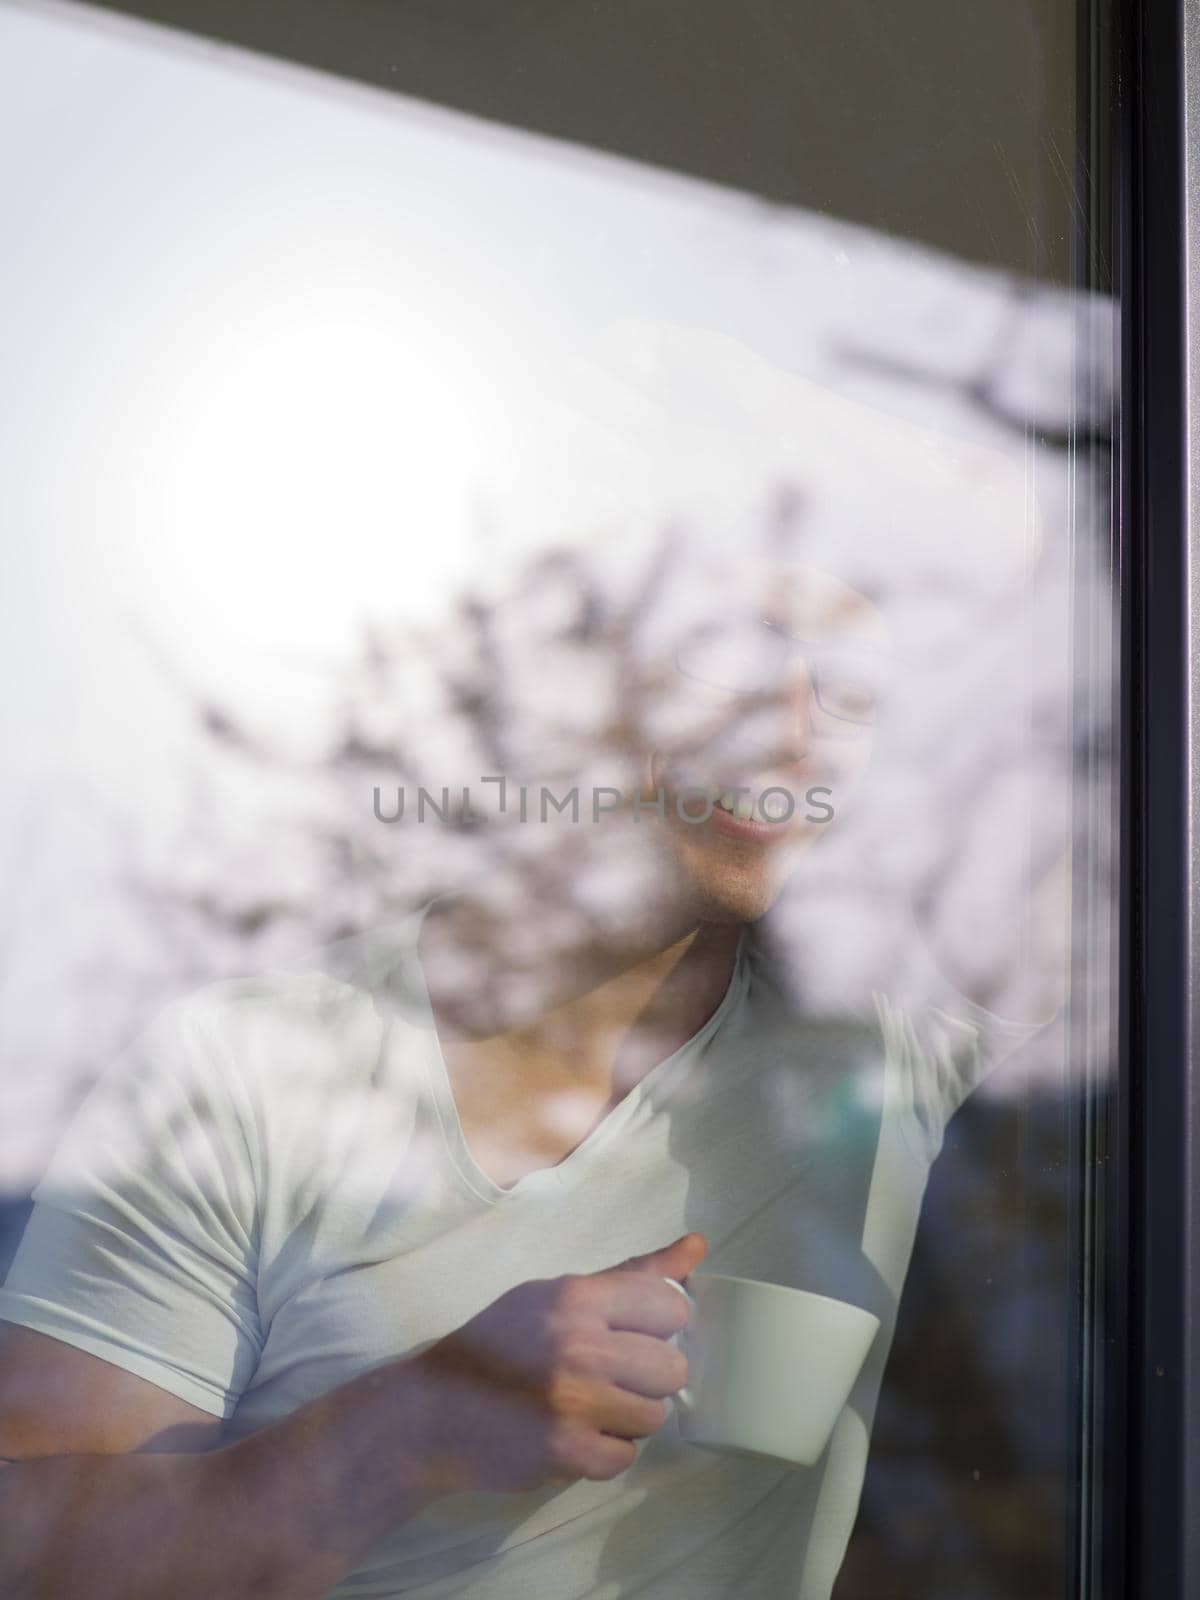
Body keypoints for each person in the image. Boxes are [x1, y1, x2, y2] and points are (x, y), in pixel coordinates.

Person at [0, 560, 1056, 1599]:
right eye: (728, 660)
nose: (794, 730)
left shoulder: (884, 1047)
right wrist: (411, 1423)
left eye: (851, 694)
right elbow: (36, 1558)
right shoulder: (242, 1068)